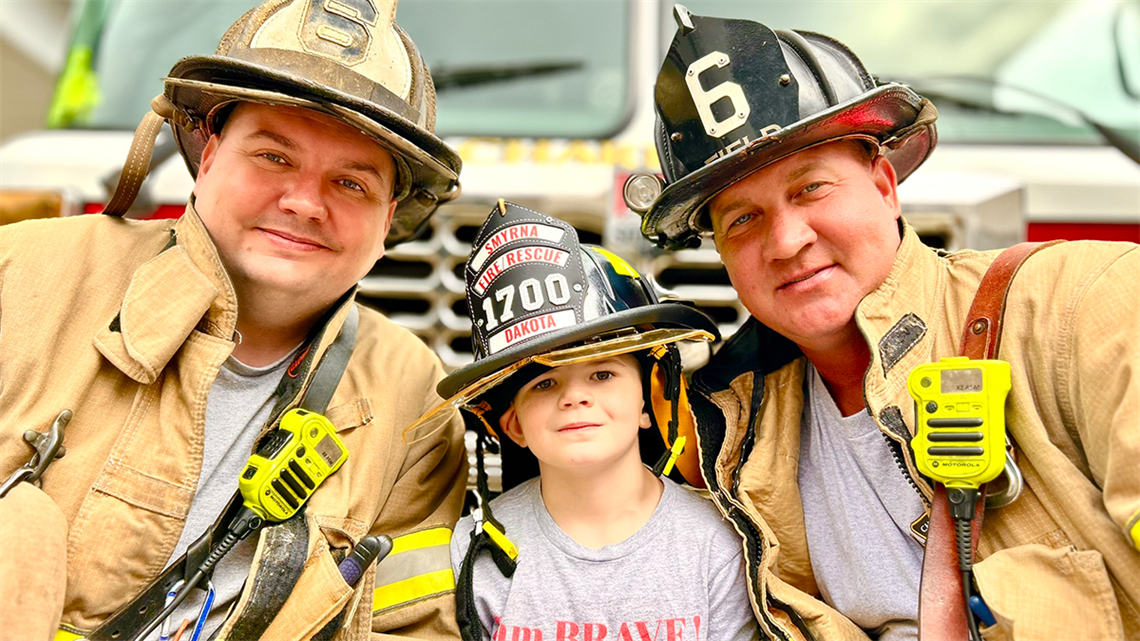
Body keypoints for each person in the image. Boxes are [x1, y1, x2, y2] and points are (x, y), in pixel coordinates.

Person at [625, 6, 1139, 641]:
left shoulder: (1083, 304)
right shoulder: (726, 437)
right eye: (743, 219)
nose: (786, 241)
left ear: (885, 183)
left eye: (811, 188)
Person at [0, 1, 468, 639]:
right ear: (210, 152)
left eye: (352, 184)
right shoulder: (22, 276)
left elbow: (411, 625)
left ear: (389, 219)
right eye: (274, 156)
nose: (304, 203)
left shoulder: (414, 400)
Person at [407, 200, 758, 641]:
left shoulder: (718, 544)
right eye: (545, 384)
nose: (575, 397)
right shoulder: (474, 553)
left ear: (650, 401)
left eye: (603, 373)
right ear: (512, 425)